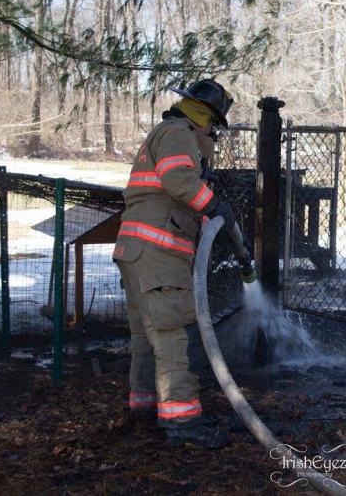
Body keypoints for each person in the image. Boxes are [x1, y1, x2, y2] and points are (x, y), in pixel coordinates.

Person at [112, 79, 236, 447]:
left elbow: (173, 183)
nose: (213, 134)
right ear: (204, 117)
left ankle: (145, 410)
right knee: (170, 337)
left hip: (136, 253)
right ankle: (183, 423)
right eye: (213, 126)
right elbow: (178, 180)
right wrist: (213, 206)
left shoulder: (166, 133)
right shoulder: (179, 132)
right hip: (159, 253)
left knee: (147, 338)